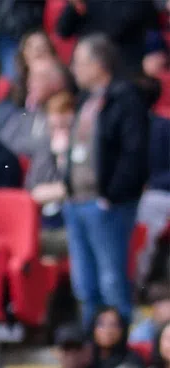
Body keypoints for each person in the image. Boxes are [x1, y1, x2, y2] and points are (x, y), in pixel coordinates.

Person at [64, 34, 149, 326]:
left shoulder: (125, 97)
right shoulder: (87, 100)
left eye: (79, 62)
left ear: (99, 64)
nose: (73, 69)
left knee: (111, 280)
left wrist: (111, 195)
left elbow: (133, 152)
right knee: (84, 284)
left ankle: (118, 347)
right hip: (77, 201)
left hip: (107, 205)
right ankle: (92, 345)